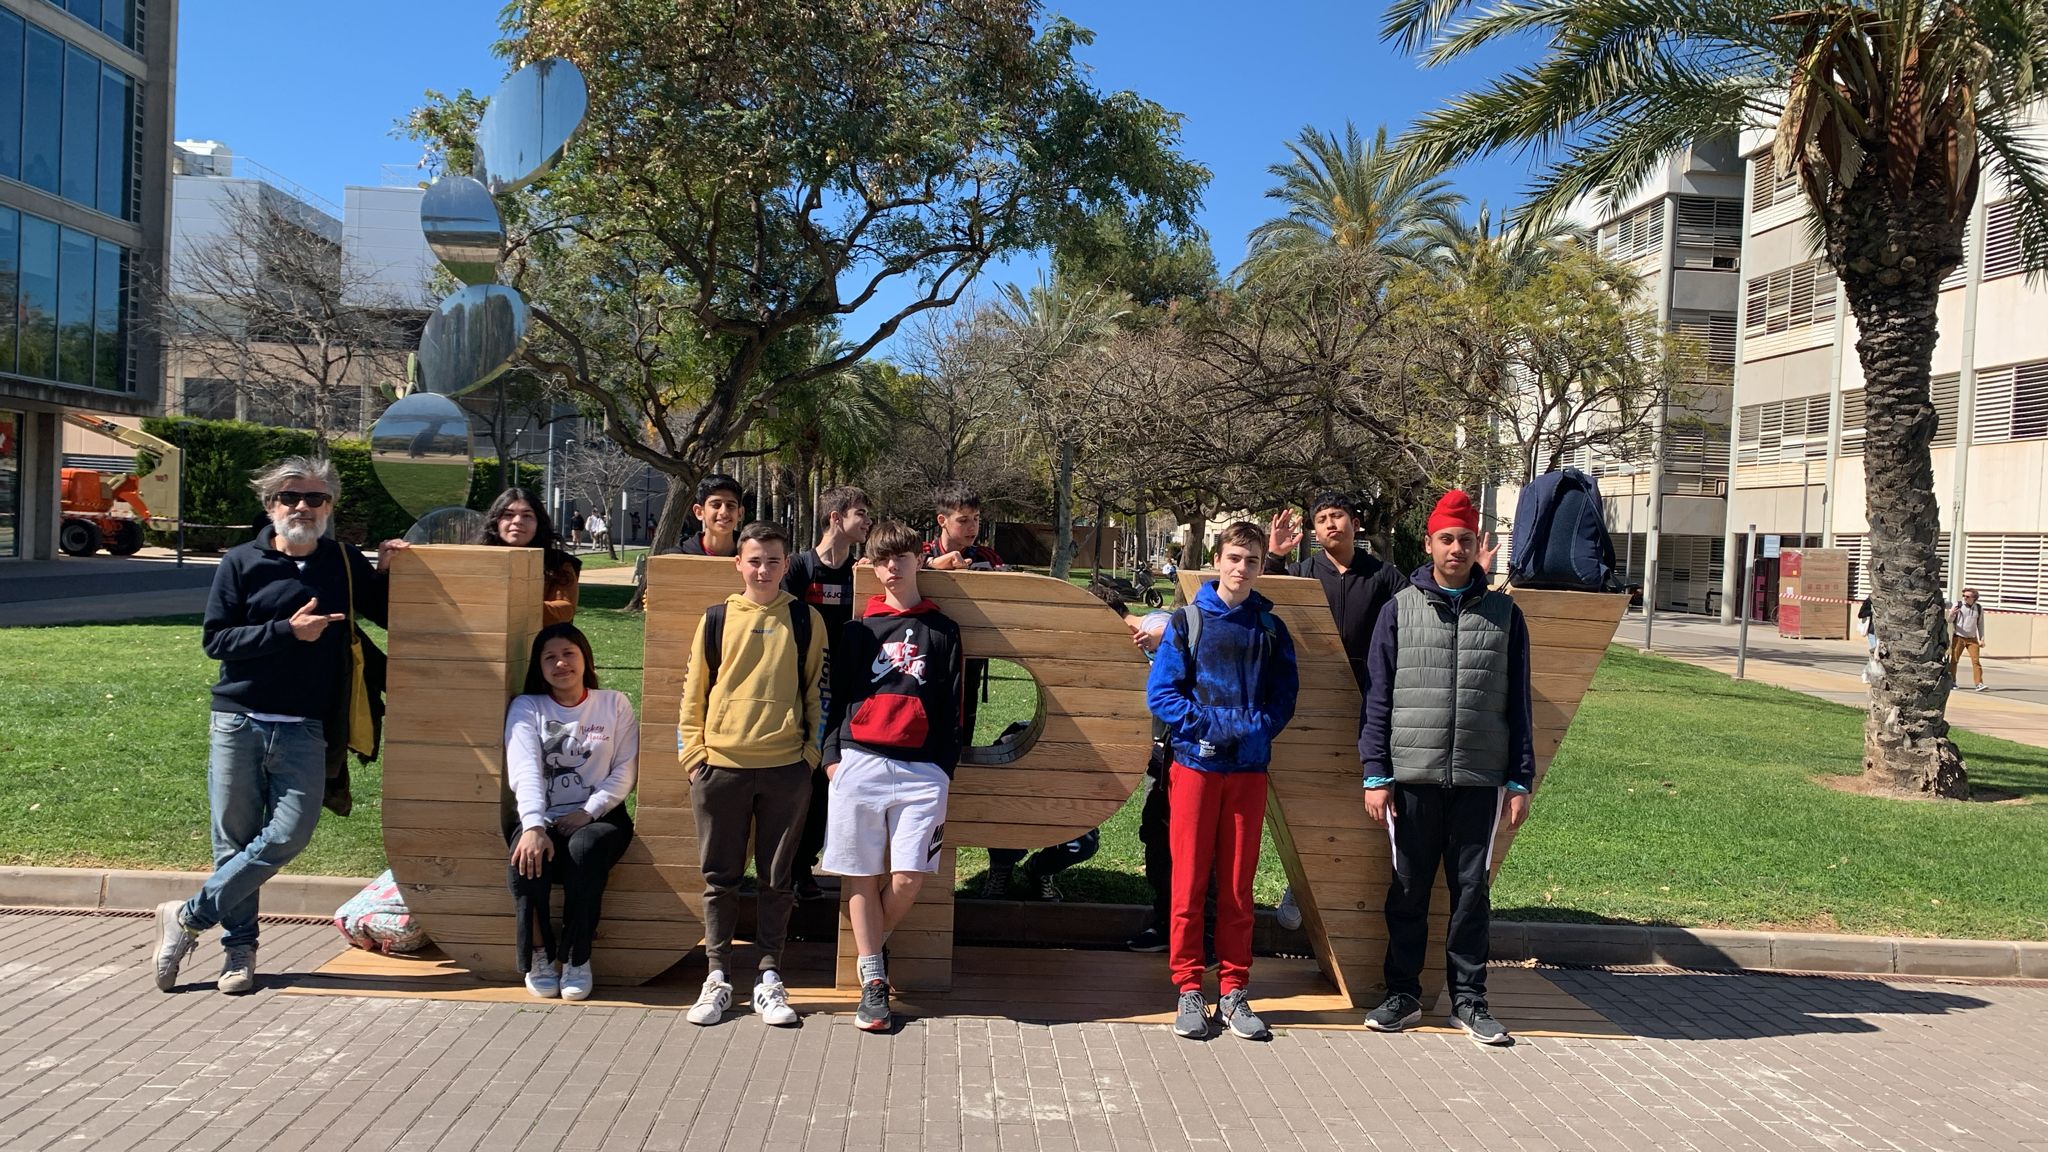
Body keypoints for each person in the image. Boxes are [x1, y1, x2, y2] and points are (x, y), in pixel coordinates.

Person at [154, 457, 408, 994]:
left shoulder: (343, 562)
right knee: (235, 842)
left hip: (306, 726)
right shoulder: (240, 562)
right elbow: (216, 641)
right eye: (290, 497)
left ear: (330, 507)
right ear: (270, 505)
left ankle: (187, 917)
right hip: (238, 720)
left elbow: (390, 617)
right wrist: (287, 632)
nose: (302, 507)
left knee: (290, 833)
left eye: (316, 498)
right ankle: (238, 952)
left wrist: (388, 571)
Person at [1358, 489, 1534, 1047]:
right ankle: (1403, 994)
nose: (1455, 549)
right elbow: (1377, 698)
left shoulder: (1506, 615)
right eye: (1446, 539)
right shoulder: (1398, 610)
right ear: (1429, 544)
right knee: (1408, 890)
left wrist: (1519, 778)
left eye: (1464, 540)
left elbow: (1519, 703)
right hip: (1411, 779)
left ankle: (1470, 1000)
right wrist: (1375, 772)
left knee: (1471, 894)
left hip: (1480, 779)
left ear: (1477, 545)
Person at [1147, 521, 1299, 1041]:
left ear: (1260, 567)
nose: (1241, 568)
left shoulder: (1270, 629)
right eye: (1234, 557)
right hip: (1195, 768)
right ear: (1217, 560)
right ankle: (1189, 987)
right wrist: (1213, 727)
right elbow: (1162, 695)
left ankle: (1234, 990)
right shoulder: (1188, 621)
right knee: (1188, 882)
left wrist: (1252, 729)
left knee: (1237, 887)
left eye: (1252, 561)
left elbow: (1283, 700)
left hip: (1248, 772)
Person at [677, 522, 827, 1027]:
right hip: (720, 768)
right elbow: (692, 692)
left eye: (773, 561)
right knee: (719, 880)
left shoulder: (805, 619)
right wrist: (693, 756)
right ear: (739, 564)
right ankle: (717, 976)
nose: (764, 570)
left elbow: (818, 692)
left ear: (787, 565)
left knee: (776, 880)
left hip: (786, 768)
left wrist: (809, 756)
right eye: (755, 560)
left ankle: (768, 976)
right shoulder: (716, 618)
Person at [820, 520, 966, 1032]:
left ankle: (872, 949)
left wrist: (943, 766)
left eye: (901, 557)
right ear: (872, 566)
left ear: (918, 559)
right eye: (882, 559)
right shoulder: (858, 630)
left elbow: (956, 705)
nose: (892, 567)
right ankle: (874, 981)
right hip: (859, 759)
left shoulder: (943, 630)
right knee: (860, 873)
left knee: (908, 876)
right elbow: (835, 698)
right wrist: (832, 756)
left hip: (923, 768)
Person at [504, 623, 638, 1001]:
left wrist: (589, 811)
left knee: (585, 849)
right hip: (541, 814)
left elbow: (625, 769)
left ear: (585, 659)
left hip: (602, 815)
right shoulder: (527, 707)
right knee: (525, 859)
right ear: (539, 666)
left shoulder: (614, 703)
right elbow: (525, 767)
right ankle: (540, 955)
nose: (560, 663)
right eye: (550, 657)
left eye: (568, 654)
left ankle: (578, 957)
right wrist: (533, 825)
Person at [981, 584, 1122, 901]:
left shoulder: (1116, 664)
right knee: (1005, 788)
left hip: (1083, 752)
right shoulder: (1054, 643)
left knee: (1082, 843)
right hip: (1037, 737)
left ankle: (1040, 869)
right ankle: (1001, 867)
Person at [783, 485, 874, 902]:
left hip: (847, 696)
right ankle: (783, 869)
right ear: (836, 518)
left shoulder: (862, 571)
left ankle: (804, 866)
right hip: (800, 693)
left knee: (828, 784)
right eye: (860, 513)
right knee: (795, 781)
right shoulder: (799, 568)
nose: (867, 521)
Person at [922, 481, 1005, 748]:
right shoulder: (920, 552)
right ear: (942, 521)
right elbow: (893, 562)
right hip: (926, 653)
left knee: (963, 725)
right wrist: (932, 565)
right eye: (963, 520)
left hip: (971, 656)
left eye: (977, 519)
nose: (973, 527)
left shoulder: (988, 557)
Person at [484, 487, 583, 625]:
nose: (517, 521)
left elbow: (564, 609)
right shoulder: (478, 559)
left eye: (527, 515)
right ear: (496, 521)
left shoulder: (559, 564)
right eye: (508, 514)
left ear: (538, 522)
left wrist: (516, 606)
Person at [664, 473, 746, 558]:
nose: (724, 512)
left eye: (730, 506)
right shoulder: (677, 558)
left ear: (740, 513)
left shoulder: (751, 554)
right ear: (699, 512)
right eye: (716, 505)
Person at [1948, 588, 1988, 691]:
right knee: (1954, 660)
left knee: (1976, 661)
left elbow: (1980, 624)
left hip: (1972, 639)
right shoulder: (1958, 605)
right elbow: (1949, 620)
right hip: (1959, 637)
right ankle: (1952, 681)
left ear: (1974, 598)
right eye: (1964, 596)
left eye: (1967, 596)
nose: (1965, 598)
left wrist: (1982, 639)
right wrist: (1952, 614)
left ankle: (1979, 683)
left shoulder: (1978, 608)